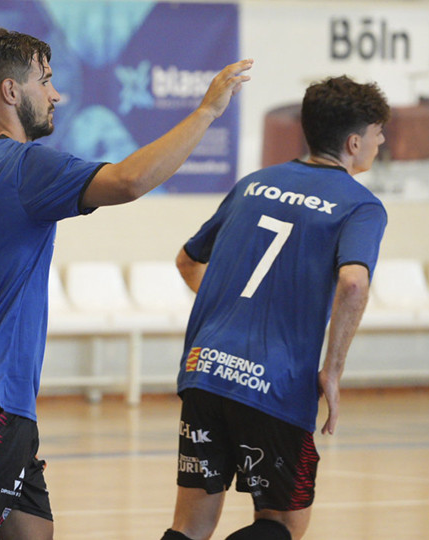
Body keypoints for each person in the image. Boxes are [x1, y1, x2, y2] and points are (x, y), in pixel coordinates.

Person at [0, 26, 251, 540]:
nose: (56, 94)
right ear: (10, 91)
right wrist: (206, 112)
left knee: (33, 533)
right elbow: (130, 180)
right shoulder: (25, 167)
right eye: (45, 81)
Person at [161, 75, 390, 540]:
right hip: (275, 382)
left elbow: (188, 261)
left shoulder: (254, 184)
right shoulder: (361, 206)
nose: (381, 142)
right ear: (353, 142)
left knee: (189, 526)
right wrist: (332, 371)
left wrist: (235, 313)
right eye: (377, 133)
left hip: (205, 370)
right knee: (282, 524)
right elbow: (353, 284)